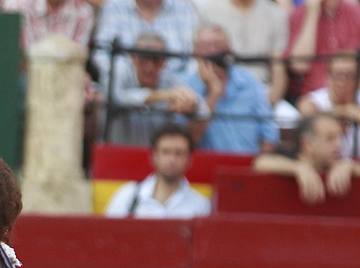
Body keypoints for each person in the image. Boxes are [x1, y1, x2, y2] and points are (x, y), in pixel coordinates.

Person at [186, 25, 279, 153]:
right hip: (206, 166)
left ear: (230, 50)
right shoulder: (187, 87)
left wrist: (257, 166)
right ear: (195, 53)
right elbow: (190, 140)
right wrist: (214, 93)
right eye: (206, 47)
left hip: (249, 164)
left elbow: (269, 134)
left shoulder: (249, 82)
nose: (213, 52)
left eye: (219, 46)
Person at [105, 31, 208, 146]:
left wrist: (192, 105)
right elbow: (116, 98)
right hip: (118, 154)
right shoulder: (121, 71)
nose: (149, 67)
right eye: (144, 59)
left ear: (164, 61)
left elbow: (203, 108)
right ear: (133, 58)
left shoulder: (168, 79)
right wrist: (161, 95)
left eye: (156, 59)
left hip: (156, 160)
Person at [253, 111, 360, 203]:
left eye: (339, 138)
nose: (339, 145)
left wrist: (348, 166)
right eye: (330, 138)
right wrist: (298, 168)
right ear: (308, 144)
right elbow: (260, 163)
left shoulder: (337, 164)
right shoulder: (289, 160)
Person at [104, 124, 213, 218]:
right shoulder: (127, 195)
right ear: (154, 156)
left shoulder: (201, 206)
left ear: (189, 159)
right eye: (166, 152)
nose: (172, 159)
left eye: (179, 153)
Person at [297, 52, 360, 160]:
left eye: (349, 75)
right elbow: (308, 116)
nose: (343, 81)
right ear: (328, 76)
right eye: (338, 75)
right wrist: (343, 112)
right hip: (325, 168)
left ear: (358, 78)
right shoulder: (312, 101)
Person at [284, 0, 360, 98]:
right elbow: (299, 65)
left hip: (355, 97)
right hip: (313, 99)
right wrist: (312, 14)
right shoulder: (298, 15)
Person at [197, 0, 289, 106]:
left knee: (289, 117)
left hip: (263, 92)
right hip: (221, 92)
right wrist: (215, 92)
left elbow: (278, 67)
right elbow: (201, 60)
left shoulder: (275, 13)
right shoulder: (210, 11)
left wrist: (269, 101)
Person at [91, 0, 201, 88]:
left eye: (156, 60)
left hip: (175, 96)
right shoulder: (114, 7)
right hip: (123, 93)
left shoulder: (185, 9)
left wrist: (175, 87)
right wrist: (129, 81)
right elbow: (101, 54)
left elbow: (194, 59)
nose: (149, 67)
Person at [0, 0, 96, 52]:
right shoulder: (16, 6)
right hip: (23, 78)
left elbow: (76, 59)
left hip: (64, 76)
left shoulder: (83, 12)